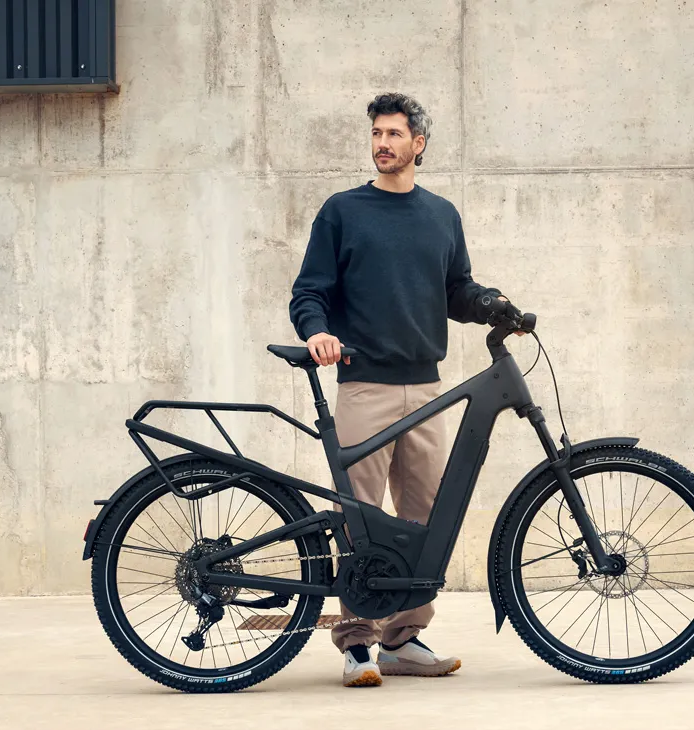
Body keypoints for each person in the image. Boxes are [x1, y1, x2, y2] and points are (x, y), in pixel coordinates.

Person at [288, 92, 514, 688]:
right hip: (366, 387)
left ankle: (403, 637)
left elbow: (457, 289)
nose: (383, 143)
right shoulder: (343, 211)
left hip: (427, 389)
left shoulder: (441, 216)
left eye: (394, 134)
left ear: (419, 144)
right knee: (360, 521)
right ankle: (358, 644)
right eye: (376, 134)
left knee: (426, 519)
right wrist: (318, 333)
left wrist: (489, 303)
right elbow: (308, 291)